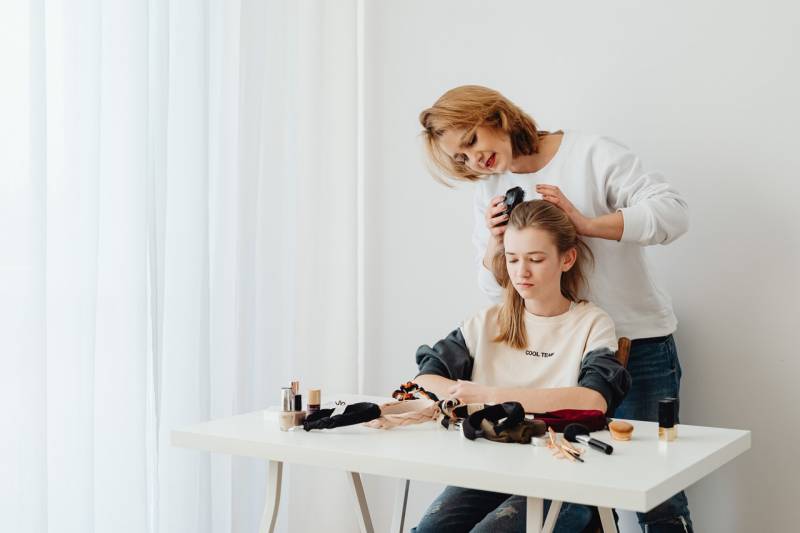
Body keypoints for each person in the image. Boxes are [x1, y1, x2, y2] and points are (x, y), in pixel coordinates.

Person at [419, 85, 692, 532]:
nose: (474, 161)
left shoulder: (592, 155)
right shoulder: (491, 187)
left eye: (471, 141)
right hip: (557, 361)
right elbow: (499, 292)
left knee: (657, 499)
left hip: (635, 344)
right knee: (573, 494)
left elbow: (674, 214)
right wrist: (495, 243)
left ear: (496, 116)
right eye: (461, 159)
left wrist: (585, 224)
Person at [412, 200, 631, 533]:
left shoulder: (591, 323)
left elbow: (593, 400)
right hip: (490, 469)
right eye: (512, 259)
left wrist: (489, 396)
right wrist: (465, 395)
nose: (521, 272)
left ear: (566, 259)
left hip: (565, 475)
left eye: (536, 260)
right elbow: (426, 378)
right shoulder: (487, 322)